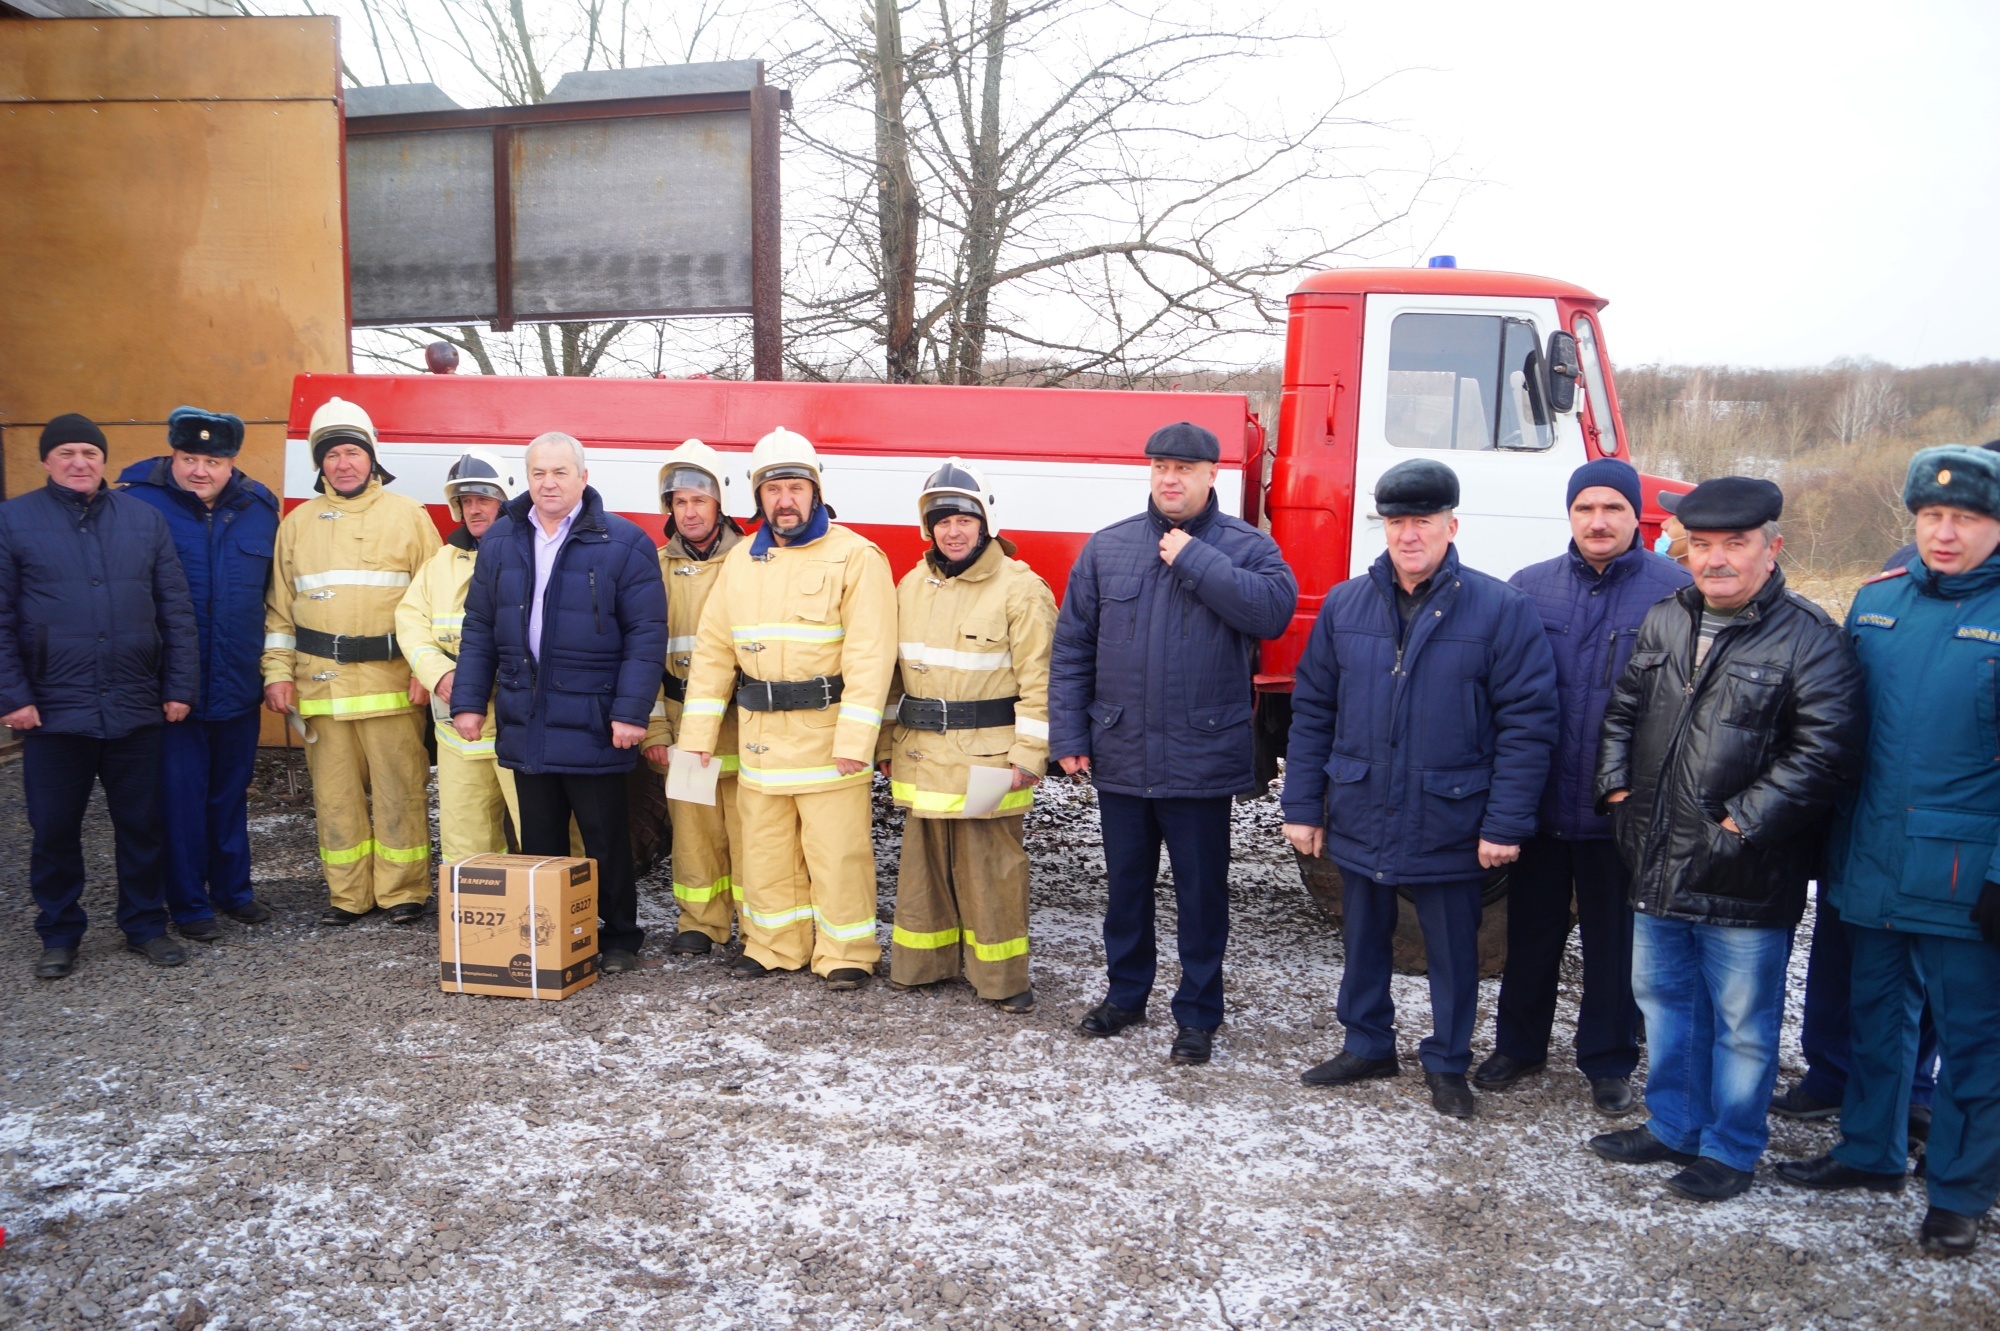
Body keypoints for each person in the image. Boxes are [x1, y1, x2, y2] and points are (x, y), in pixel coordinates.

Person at [1590, 476, 1862, 1201]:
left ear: (1772, 549)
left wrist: (1743, 821)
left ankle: (1732, 1147)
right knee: (1665, 1001)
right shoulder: (1666, 620)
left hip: (1747, 870)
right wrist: (1618, 793)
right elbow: (1622, 712)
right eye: (1701, 544)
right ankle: (1675, 1123)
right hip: (1656, 858)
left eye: (1734, 544)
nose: (1715, 560)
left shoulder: (1811, 639)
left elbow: (1826, 751)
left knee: (1742, 1020)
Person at [1774, 445, 2000, 1256]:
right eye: (1932, 516)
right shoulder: (1876, 604)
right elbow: (1834, 732)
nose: (1945, 532)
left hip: (1963, 872)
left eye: (1967, 518)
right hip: (1870, 855)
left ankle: (1960, 1191)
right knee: (1874, 1017)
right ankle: (1868, 1151)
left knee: (1976, 1040)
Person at [1283, 459, 1557, 1116]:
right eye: (1398, 521)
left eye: (1423, 521)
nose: (1410, 534)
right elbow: (1314, 709)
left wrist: (1504, 822)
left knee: (1454, 952)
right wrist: (1300, 804)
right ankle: (1367, 1041)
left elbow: (1529, 721)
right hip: (1360, 807)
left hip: (1451, 816)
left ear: (1451, 525)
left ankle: (1448, 1061)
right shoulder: (1347, 605)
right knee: (1364, 938)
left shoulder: (1500, 609)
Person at [1050, 422, 1297, 1065]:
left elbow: (1272, 614)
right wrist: (1071, 734)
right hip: (1124, 753)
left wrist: (1195, 558)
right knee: (1126, 890)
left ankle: (1197, 1013)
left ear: (1214, 474)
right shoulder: (1108, 549)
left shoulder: (1247, 548)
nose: (1170, 477)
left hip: (1201, 758)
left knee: (1201, 895)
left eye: (1185, 467)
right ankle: (1126, 995)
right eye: (1160, 464)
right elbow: (1073, 648)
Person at [1476, 460, 1689, 1113]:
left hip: (1621, 809)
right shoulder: (1529, 589)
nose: (1598, 522)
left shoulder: (1676, 591)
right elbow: (1497, 692)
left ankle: (1608, 1059)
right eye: (1585, 509)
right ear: (1569, 515)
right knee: (1530, 933)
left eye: (1613, 509)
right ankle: (1518, 1045)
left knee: (1613, 941)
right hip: (1539, 802)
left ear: (1635, 517)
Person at [678, 428, 898, 991]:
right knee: (766, 854)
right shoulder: (740, 564)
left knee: (837, 855)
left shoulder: (855, 556)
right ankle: (775, 944)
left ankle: (846, 951)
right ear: (758, 498)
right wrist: (697, 735)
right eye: (774, 489)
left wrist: (856, 741)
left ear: (815, 491)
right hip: (758, 741)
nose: (785, 500)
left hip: (827, 741)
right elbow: (713, 654)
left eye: (796, 487)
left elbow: (871, 658)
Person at [452, 432, 668, 971]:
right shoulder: (501, 541)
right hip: (527, 717)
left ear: (583, 477)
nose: (549, 483)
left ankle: (619, 938)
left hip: (595, 720)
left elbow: (646, 635)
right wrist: (470, 701)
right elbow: (478, 627)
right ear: (526, 480)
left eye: (560, 472)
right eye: (538, 474)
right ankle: (548, 937)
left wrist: (629, 711)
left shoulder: (624, 543)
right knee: (539, 844)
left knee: (605, 840)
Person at [0, 413, 199, 977]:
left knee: (141, 825)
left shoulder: (143, 520)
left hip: (135, 704)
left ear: (104, 460)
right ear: (46, 461)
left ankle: (143, 925)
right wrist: (12, 695)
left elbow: (176, 611)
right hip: (52, 710)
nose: (79, 462)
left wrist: (179, 686)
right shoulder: (13, 521)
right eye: (66, 453)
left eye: (89, 452)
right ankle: (59, 934)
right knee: (55, 829)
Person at [879, 459, 1057, 1014]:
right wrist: (885, 743)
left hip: (990, 759)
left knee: (991, 871)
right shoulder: (910, 585)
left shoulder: (1022, 590)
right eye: (941, 521)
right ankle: (922, 966)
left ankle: (1003, 980)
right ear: (927, 528)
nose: (952, 531)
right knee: (923, 869)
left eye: (964, 518)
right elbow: (889, 674)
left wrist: (1029, 756)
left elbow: (1043, 682)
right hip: (920, 754)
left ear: (986, 522)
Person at [264, 398, 440, 928]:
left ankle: (403, 891)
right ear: (319, 464)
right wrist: (276, 673)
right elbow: (279, 610)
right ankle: (348, 895)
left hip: (392, 688)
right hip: (321, 689)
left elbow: (436, 602)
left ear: (371, 458)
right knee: (335, 800)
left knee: (400, 794)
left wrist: (426, 671)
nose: (344, 463)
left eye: (352, 453)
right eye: (333, 455)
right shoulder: (296, 525)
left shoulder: (408, 516)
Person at [117, 406, 281, 941]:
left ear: (231, 463)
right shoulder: (136, 503)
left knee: (230, 794)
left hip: (236, 682)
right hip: (172, 691)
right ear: (173, 455)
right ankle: (189, 907)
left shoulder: (259, 509)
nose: (200, 471)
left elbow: (269, 598)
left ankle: (234, 892)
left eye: (213, 460)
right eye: (190, 458)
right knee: (179, 803)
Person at [640, 440, 749, 957]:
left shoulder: (753, 561)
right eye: (679, 502)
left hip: (746, 722)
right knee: (693, 833)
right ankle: (700, 922)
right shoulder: (652, 568)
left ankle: (760, 925)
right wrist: (656, 729)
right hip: (683, 723)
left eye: (698, 501)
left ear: (720, 503)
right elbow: (640, 658)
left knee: (753, 834)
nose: (688, 512)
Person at [395, 450, 521, 862]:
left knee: (541, 830)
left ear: (505, 500)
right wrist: (439, 676)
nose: (474, 509)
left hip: (515, 718)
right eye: (466, 501)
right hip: (456, 724)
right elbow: (410, 622)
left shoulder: (529, 552)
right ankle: (476, 917)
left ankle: (550, 914)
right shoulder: (441, 563)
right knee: (464, 835)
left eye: (483, 499)